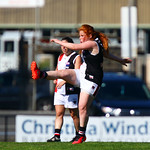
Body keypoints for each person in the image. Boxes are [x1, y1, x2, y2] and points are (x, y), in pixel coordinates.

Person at [31, 24, 132, 144]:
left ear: (90, 35)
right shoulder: (94, 44)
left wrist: (59, 42)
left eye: (83, 36)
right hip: (83, 73)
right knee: (62, 73)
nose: (81, 38)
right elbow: (106, 54)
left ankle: (81, 135)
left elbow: (74, 46)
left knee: (82, 107)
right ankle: (40, 74)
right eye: (79, 36)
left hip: (93, 80)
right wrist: (120, 60)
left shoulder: (93, 43)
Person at [46, 37, 82, 142]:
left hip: (70, 90)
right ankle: (57, 136)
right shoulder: (60, 57)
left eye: (66, 46)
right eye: (62, 46)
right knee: (59, 113)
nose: (64, 48)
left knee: (73, 114)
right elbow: (58, 69)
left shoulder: (76, 57)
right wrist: (54, 78)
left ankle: (78, 135)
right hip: (59, 90)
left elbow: (77, 73)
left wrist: (64, 80)